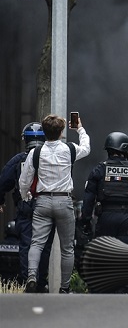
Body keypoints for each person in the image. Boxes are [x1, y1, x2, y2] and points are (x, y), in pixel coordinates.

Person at [18, 114, 91, 294]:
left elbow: (24, 179)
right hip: (64, 201)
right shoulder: (70, 149)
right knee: (67, 248)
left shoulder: (36, 152)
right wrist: (80, 128)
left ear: (44, 132)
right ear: (61, 132)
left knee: (36, 243)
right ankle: (64, 288)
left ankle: (32, 276)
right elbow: (87, 148)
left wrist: (25, 194)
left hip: (42, 202)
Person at [0, 123, 55, 291]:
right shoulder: (53, 158)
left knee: (27, 246)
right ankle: (41, 282)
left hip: (26, 210)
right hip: (48, 208)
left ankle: (28, 281)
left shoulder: (18, 160)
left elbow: (3, 182)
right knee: (44, 246)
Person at [81, 132, 128, 246]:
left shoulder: (99, 170)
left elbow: (89, 198)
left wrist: (85, 221)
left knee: (104, 254)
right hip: (127, 219)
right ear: (125, 149)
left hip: (105, 218)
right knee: (124, 256)